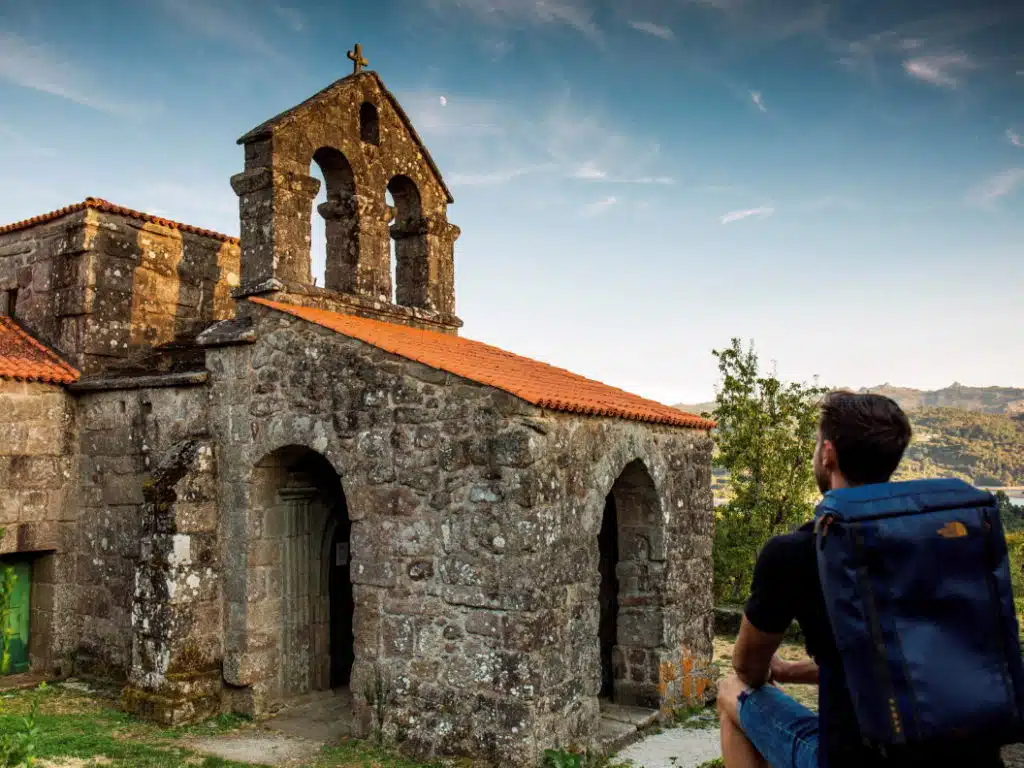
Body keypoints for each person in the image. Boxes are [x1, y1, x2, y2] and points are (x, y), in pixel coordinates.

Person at [716, 390, 1006, 768]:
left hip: (853, 759)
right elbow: (893, 661)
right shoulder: (940, 540)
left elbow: (748, 668)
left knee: (730, 690)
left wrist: (769, 670)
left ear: (828, 454)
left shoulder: (799, 551)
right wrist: (790, 671)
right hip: (968, 757)